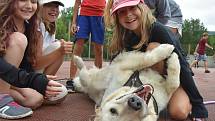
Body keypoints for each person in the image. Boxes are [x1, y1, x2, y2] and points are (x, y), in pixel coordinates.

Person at [104, 0, 208, 120]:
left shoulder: (158, 29)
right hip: (152, 81)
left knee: (178, 112)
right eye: (122, 11)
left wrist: (198, 104)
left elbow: (182, 65)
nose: (128, 14)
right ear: (117, 18)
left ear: (142, 7)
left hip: (175, 77)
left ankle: (183, 98)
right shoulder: (127, 37)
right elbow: (119, 66)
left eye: (133, 8)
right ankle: (157, 97)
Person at [0, 0, 66, 119]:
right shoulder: (2, 22)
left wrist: (41, 80)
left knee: (48, 96)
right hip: (5, 75)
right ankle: (2, 98)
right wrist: (31, 80)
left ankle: (8, 92)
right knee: (19, 39)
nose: (29, 6)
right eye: (23, 0)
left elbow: (29, 65)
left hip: (11, 78)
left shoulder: (32, 28)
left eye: (33, 1)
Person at [68, 0, 106, 88]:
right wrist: (74, 22)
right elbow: (77, 2)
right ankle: (71, 80)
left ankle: (97, 80)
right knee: (78, 44)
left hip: (100, 15)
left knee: (98, 48)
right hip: (84, 15)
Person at [33, 0, 73, 75]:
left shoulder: (50, 26)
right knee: (58, 47)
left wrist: (58, 44)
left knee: (59, 45)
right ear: (40, 7)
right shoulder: (37, 26)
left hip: (37, 75)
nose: (54, 9)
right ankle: (43, 84)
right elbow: (35, 65)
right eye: (49, 5)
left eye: (56, 6)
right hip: (28, 75)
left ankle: (45, 83)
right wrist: (60, 51)